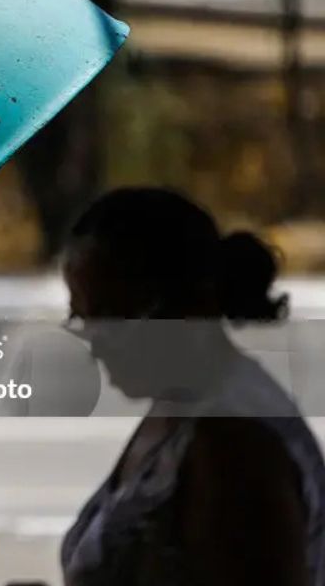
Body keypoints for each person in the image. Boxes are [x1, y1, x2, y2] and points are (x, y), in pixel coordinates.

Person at [58, 187, 325, 586]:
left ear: (190, 303)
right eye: (82, 320)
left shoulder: (234, 448)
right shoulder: (179, 408)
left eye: (112, 317)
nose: (95, 342)